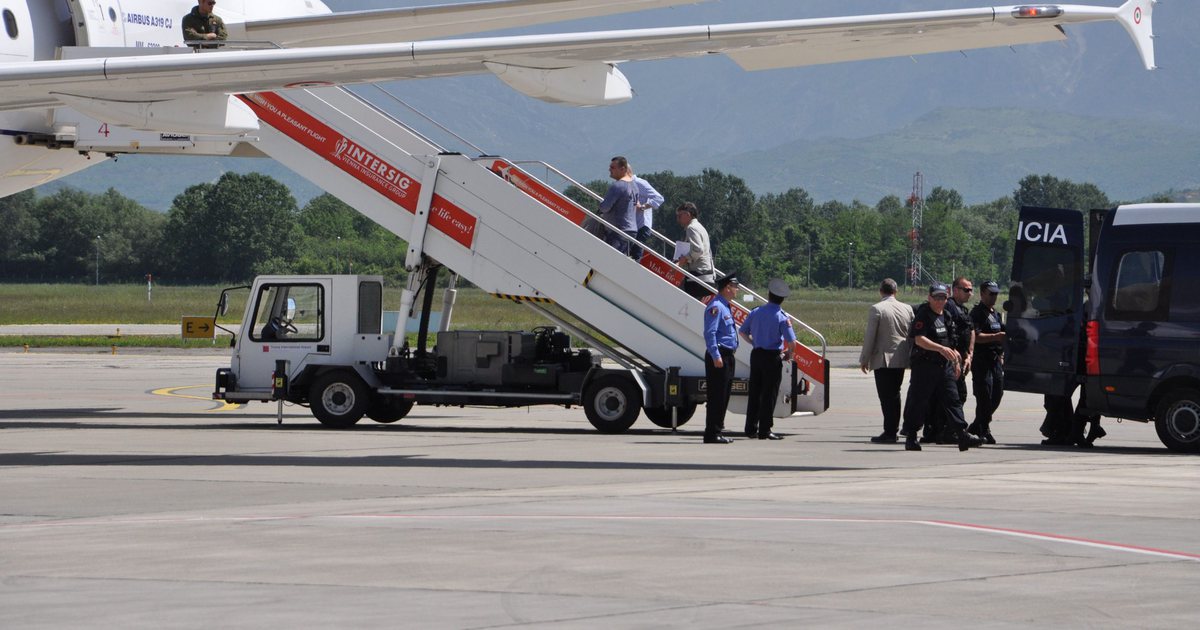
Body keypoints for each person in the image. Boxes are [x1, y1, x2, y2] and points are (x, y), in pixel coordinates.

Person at [901, 283, 983, 452]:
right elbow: (919, 339)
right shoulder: (924, 315)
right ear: (930, 298)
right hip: (925, 366)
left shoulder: (946, 315)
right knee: (919, 401)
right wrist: (941, 349)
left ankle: (962, 435)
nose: (940, 300)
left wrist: (955, 359)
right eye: (936, 297)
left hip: (944, 366)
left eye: (943, 297)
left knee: (953, 399)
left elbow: (950, 340)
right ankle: (911, 437)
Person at [739, 278, 796, 440]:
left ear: (769, 295)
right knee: (769, 394)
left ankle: (750, 428)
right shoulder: (782, 317)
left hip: (756, 355)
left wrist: (754, 342)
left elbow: (742, 332)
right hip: (772, 357)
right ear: (782, 299)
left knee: (755, 392)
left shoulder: (756, 312)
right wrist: (788, 354)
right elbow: (792, 342)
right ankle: (765, 429)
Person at [860, 278, 914, 443]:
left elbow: (870, 337)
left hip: (883, 359)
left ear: (880, 291)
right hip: (901, 358)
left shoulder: (877, 309)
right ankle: (893, 429)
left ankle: (890, 431)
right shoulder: (907, 308)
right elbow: (911, 335)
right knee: (895, 395)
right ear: (895, 291)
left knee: (886, 397)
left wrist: (864, 359)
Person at [925, 277, 976, 443]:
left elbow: (971, 330)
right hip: (948, 359)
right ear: (955, 290)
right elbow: (948, 336)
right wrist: (955, 357)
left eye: (971, 290)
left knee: (955, 395)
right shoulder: (949, 308)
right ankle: (943, 430)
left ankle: (945, 430)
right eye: (966, 290)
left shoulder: (963, 310)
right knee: (953, 395)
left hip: (960, 358)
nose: (970, 293)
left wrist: (969, 354)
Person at [702, 271, 740, 444]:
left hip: (728, 355)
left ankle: (718, 429)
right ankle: (712, 433)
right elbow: (710, 333)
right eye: (734, 287)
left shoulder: (725, 305)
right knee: (717, 395)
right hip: (719, 356)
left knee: (723, 395)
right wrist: (716, 356)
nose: (737, 290)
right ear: (727, 288)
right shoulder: (715, 306)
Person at [968, 281, 1006, 444]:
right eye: (991, 294)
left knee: (997, 394)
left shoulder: (996, 314)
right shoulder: (976, 313)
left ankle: (977, 425)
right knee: (984, 397)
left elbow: (1003, 334)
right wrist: (995, 337)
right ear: (982, 293)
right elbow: (975, 337)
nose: (994, 297)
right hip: (981, 361)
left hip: (995, 361)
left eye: (996, 294)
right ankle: (984, 429)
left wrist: (1002, 352)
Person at [596, 156, 639, 256]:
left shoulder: (618, 186)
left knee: (609, 259)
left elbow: (605, 207)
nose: (609, 169)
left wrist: (600, 205)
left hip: (618, 231)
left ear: (623, 169)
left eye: (612, 167)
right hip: (632, 230)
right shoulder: (634, 186)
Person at [675, 202, 715, 299]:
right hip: (707, 275)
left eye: (680, 215)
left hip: (699, 275)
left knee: (676, 296)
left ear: (688, 215)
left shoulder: (691, 228)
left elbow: (698, 250)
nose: (678, 219)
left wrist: (684, 259)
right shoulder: (700, 227)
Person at [630, 168, 664, 260]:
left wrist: (642, 207)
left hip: (641, 226)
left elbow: (659, 198)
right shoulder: (626, 185)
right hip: (632, 226)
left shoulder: (639, 183)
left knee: (635, 254)